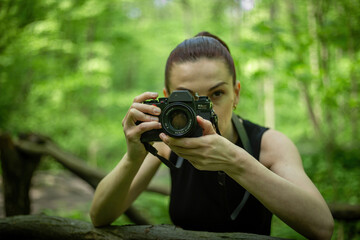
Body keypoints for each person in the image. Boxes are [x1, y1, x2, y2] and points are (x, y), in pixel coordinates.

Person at [90, 31, 334, 239]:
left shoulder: (269, 144)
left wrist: (235, 161)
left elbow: (322, 227)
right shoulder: (165, 144)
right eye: (188, 100)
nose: (203, 114)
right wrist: (133, 157)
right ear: (168, 98)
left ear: (236, 95)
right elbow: (100, 215)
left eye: (216, 94)